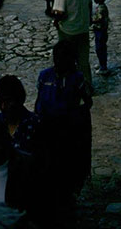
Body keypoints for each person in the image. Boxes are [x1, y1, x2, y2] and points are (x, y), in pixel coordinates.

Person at [35, 41, 92, 206]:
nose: (58, 62)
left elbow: (87, 102)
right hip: (47, 128)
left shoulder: (77, 78)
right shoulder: (44, 76)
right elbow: (39, 101)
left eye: (63, 58)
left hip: (67, 130)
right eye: (57, 58)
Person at [51, 0, 92, 86]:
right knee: (83, 60)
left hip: (68, 30)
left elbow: (60, 12)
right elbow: (89, 4)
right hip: (83, 28)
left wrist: (56, 20)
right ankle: (87, 85)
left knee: (67, 59)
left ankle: (69, 86)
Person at [0, 75, 43, 158]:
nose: (3, 106)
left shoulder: (36, 124)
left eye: (8, 101)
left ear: (19, 99)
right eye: (0, 101)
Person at [92, 0, 109, 75]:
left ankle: (103, 67)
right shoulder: (102, 7)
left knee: (100, 48)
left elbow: (96, 19)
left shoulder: (100, 9)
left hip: (100, 31)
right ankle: (102, 64)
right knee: (100, 48)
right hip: (101, 30)